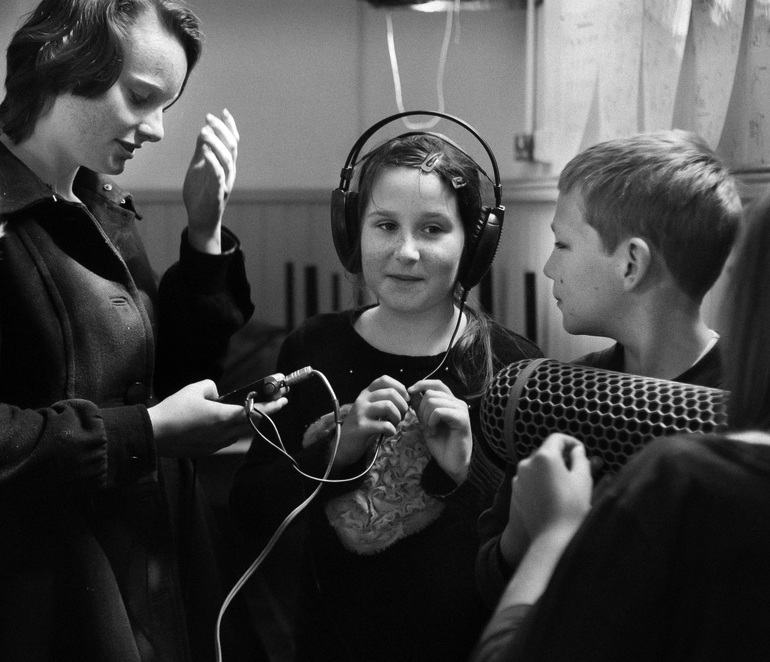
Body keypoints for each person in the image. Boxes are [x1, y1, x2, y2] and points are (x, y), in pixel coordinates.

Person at [0, 1, 284, 660]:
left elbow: (167, 378)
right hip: (41, 589)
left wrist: (205, 232)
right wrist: (147, 433)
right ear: (62, 56)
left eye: (166, 107)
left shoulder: (100, 205)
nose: (156, 129)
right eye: (140, 97)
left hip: (149, 555)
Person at [229, 131, 543, 662]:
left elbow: (533, 541)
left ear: (475, 244)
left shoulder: (514, 367)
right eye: (385, 225)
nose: (406, 251)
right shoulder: (312, 347)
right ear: (352, 232)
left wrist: (466, 473)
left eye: (433, 229)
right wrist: (334, 452)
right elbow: (249, 506)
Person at [470, 189, 770, 662]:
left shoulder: (737, 422)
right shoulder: (552, 400)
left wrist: (557, 534)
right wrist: (522, 535)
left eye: (562, 244)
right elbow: (490, 579)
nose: (547, 267)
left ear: (631, 263)